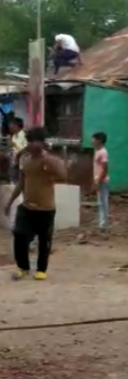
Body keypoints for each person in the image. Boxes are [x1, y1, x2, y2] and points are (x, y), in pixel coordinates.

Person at [4, 127, 67, 281]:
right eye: (30, 142)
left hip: (46, 207)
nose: (32, 145)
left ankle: (41, 270)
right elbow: (21, 183)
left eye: (36, 142)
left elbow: (63, 175)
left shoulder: (49, 159)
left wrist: (49, 161)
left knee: (44, 240)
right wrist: (10, 202)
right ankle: (23, 268)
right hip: (27, 207)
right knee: (19, 234)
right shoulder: (24, 159)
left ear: (42, 143)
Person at [92, 132, 110, 230]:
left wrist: (99, 180)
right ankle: (102, 222)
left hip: (102, 180)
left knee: (103, 202)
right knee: (101, 202)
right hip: (99, 179)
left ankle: (104, 224)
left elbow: (105, 169)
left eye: (94, 139)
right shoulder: (97, 151)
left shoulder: (103, 152)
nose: (92, 141)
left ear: (99, 140)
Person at [9, 118, 27, 184]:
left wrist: (14, 144)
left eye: (11, 125)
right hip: (14, 160)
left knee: (20, 180)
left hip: (21, 160)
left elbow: (24, 149)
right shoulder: (14, 136)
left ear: (16, 126)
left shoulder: (24, 135)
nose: (9, 127)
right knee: (14, 178)